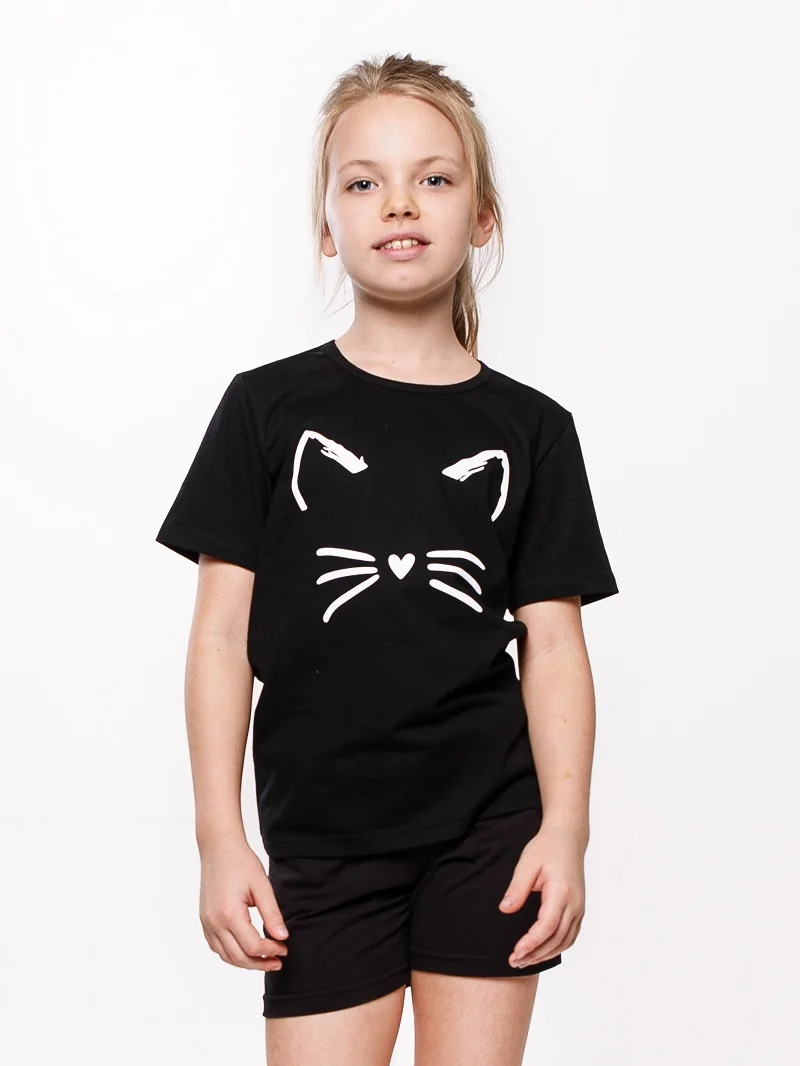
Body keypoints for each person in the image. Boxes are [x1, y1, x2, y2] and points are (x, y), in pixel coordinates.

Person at [155, 52, 618, 1066]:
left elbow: (552, 645)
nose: (398, 203)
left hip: (489, 831)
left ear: (481, 216)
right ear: (326, 223)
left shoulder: (533, 430)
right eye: (363, 181)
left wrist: (566, 831)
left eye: (433, 177)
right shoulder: (265, 410)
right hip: (320, 839)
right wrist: (219, 837)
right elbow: (221, 636)